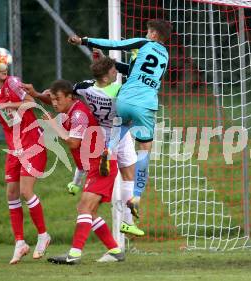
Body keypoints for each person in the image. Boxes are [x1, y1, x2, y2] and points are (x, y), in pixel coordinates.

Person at [68, 19, 172, 218]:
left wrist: (84, 41)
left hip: (124, 100)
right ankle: (136, 198)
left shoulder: (143, 43)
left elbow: (116, 44)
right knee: (144, 151)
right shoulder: (166, 56)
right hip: (145, 105)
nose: (147, 34)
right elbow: (139, 73)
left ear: (154, 35)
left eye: (149, 31)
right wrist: (111, 62)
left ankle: (108, 148)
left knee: (122, 124)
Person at [0, 54, 50, 265]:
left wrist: (10, 105)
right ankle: (20, 242)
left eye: (5, 65)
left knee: (25, 191)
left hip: (32, 142)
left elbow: (31, 102)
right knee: (12, 194)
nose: (4, 69)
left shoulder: (13, 83)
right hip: (14, 147)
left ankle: (43, 235)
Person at [43, 80, 124, 264]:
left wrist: (53, 125)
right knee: (87, 210)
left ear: (70, 97)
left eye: (58, 99)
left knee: (85, 208)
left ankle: (74, 255)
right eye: (52, 99)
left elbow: (73, 143)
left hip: (102, 164)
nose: (55, 103)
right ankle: (115, 250)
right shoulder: (70, 113)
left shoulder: (78, 114)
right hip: (95, 165)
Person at [68, 56, 144, 236]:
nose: (116, 72)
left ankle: (75, 183)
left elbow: (72, 90)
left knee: (89, 164)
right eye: (112, 70)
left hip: (99, 133)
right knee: (128, 175)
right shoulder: (119, 90)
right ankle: (127, 221)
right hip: (118, 133)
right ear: (105, 76)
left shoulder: (86, 88)